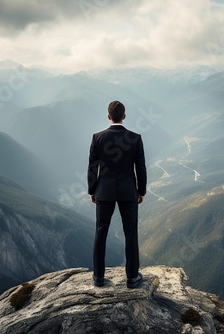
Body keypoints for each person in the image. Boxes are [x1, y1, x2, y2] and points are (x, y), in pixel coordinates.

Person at [87, 100, 147, 289]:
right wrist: (141, 191)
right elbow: (141, 168)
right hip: (128, 192)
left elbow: (92, 168)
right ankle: (132, 278)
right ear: (124, 116)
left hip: (104, 192)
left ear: (108, 116)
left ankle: (98, 276)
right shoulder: (135, 138)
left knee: (100, 231)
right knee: (130, 233)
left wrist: (92, 190)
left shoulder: (97, 138)